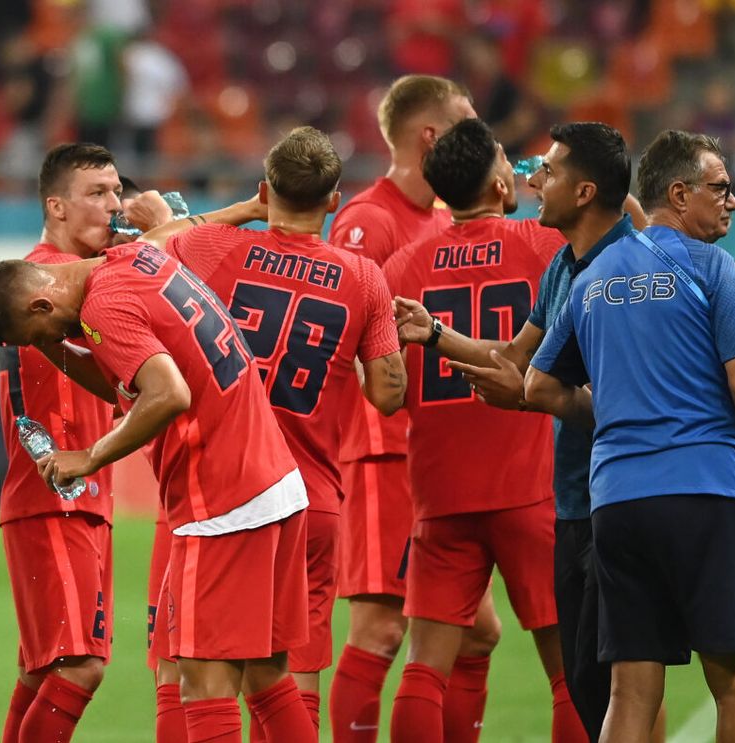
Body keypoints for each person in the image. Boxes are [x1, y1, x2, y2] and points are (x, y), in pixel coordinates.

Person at [0, 240, 318, 742]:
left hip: (221, 501)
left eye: (35, 334)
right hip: (273, 480)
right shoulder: (136, 260)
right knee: (267, 674)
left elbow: (168, 393)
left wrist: (89, 456)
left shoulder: (101, 308)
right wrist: (54, 346)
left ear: (41, 305)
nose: (42, 342)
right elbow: (126, 386)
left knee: (203, 683)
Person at [137, 126, 408, 738]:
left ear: (266, 189)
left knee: (195, 670)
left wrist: (239, 212)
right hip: (313, 499)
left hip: (223, 490)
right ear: (334, 201)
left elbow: (140, 255)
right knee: (287, 673)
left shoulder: (211, 249)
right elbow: (389, 395)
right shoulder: (364, 278)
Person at [525, 129, 735, 743]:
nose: (733, 201)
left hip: (616, 503)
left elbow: (537, 386)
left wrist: (608, 412)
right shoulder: (711, 266)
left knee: (631, 692)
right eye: (720, 188)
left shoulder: (594, 276)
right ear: (678, 192)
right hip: (705, 495)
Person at [381, 117, 575, 743]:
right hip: (530, 487)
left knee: (424, 669)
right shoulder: (543, 246)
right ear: (498, 179)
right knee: (570, 671)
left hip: (439, 491)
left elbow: (383, 388)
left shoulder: (403, 266)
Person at [326, 74, 503, 743]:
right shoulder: (367, 221)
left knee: (478, 631)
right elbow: (343, 338)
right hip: (384, 448)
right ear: (431, 135)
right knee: (380, 625)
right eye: (467, 117)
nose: (482, 126)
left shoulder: (445, 220)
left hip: (441, 456)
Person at [0, 143, 169, 743]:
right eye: (97, 194)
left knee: (41, 667)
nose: (115, 206)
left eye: (117, 191)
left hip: (79, 495)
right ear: (56, 207)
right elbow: (162, 256)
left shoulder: (74, 274)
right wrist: (168, 230)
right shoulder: (53, 278)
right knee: (81, 666)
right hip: (56, 496)